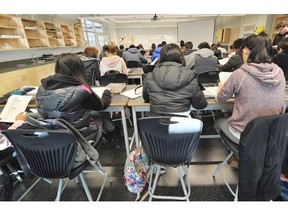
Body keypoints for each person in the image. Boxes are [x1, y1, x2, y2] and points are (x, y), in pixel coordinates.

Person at [214, 33, 286, 145]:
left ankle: (238, 154)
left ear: (246, 51)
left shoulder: (240, 74)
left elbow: (220, 99)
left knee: (218, 123)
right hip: (271, 135)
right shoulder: (279, 72)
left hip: (245, 134)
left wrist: (220, 86)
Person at [36, 53, 119, 147]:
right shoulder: (80, 88)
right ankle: (112, 133)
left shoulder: (42, 86)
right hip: (79, 133)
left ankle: (110, 134)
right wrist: (107, 92)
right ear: (79, 68)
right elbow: (101, 105)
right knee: (102, 113)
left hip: (52, 133)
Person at [142, 43, 208, 117]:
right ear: (181, 57)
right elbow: (200, 105)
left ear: (162, 57)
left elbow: (146, 99)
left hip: (157, 124)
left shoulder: (150, 76)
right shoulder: (190, 76)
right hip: (182, 125)